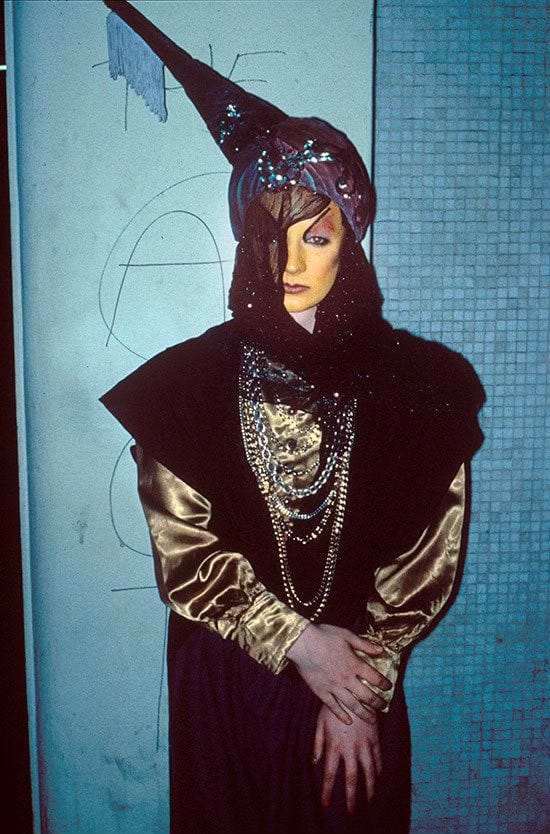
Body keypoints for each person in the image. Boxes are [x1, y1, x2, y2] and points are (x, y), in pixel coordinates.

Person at [100, 3, 485, 833]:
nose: (290, 263)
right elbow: (188, 555)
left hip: (356, 688)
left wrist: (358, 695)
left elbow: (424, 560)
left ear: (351, 236)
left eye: (315, 236)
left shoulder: (425, 387)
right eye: (269, 237)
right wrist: (298, 643)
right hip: (228, 684)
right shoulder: (186, 386)